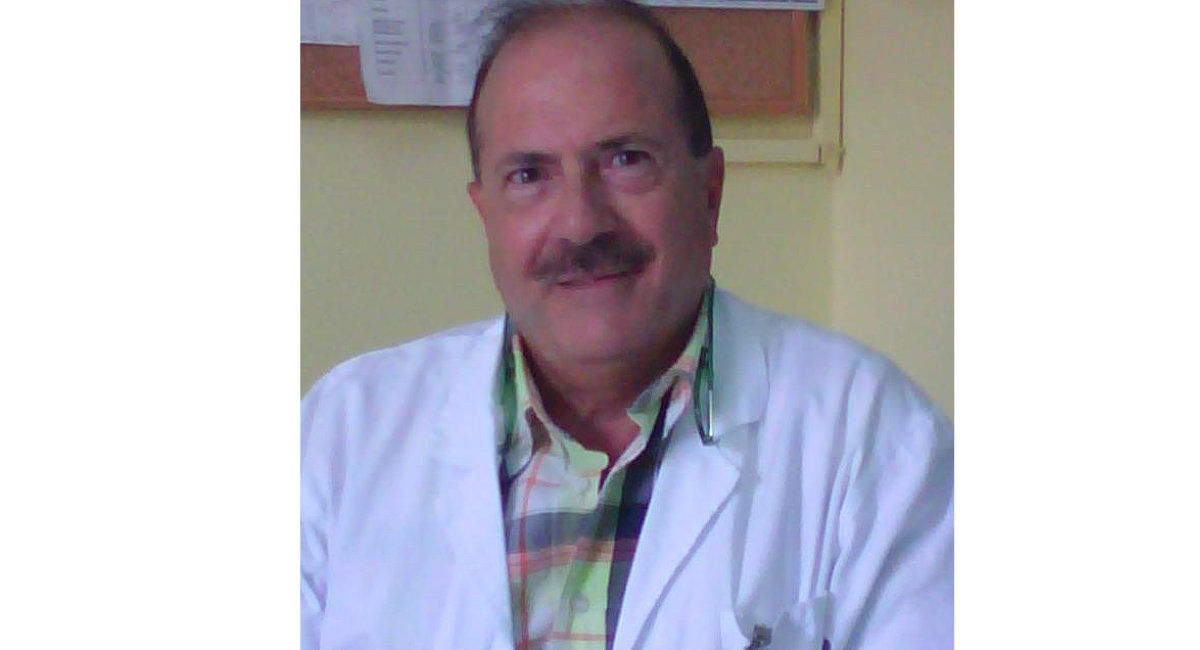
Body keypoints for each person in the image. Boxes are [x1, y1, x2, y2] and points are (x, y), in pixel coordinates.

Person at [301, 1, 953, 648]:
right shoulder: (343, 433)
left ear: (710, 194)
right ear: (486, 216)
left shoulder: (874, 437)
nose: (581, 222)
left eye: (626, 160)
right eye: (529, 175)